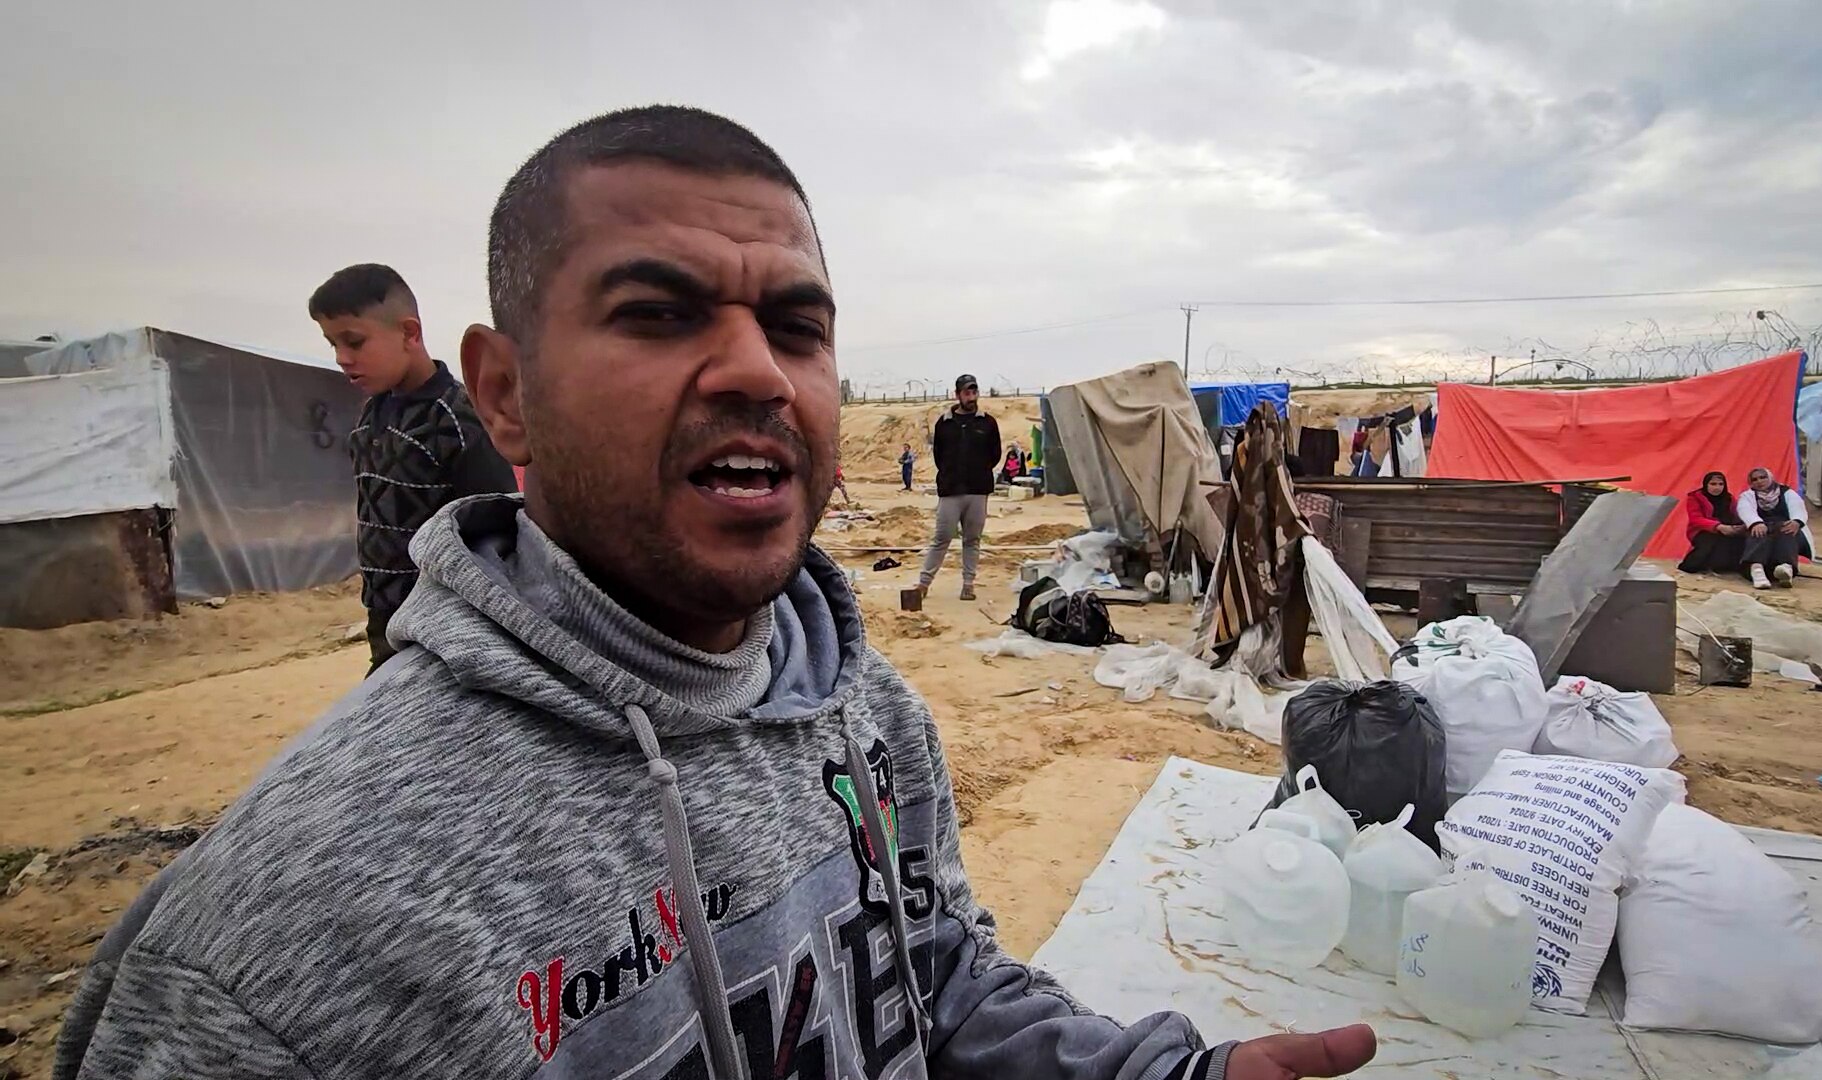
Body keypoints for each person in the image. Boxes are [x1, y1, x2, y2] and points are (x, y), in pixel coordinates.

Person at [56, 106, 1374, 1080]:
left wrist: (1156, 1073)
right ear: (504, 393)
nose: (758, 372)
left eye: (798, 328)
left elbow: (939, 984)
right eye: (658, 312)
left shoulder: (866, 711)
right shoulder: (284, 951)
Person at [307, 262, 517, 671]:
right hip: (383, 620)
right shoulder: (369, 417)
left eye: (354, 342)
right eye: (332, 344)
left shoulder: (458, 418)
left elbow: (499, 534)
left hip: (444, 628)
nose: (342, 358)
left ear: (409, 333)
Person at [917, 373, 1000, 602]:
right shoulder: (944, 424)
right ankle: (923, 584)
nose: (971, 397)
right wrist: (950, 475)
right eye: (967, 392)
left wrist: (978, 472)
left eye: (974, 392)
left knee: (972, 540)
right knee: (942, 537)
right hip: (951, 491)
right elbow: (939, 456)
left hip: (978, 491)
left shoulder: (988, 423)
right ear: (958, 395)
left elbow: (995, 455)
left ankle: (968, 584)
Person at [1736, 466, 1814, 590]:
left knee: (1787, 530)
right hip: (1761, 526)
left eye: (1763, 477)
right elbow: (1745, 510)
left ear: (1770, 478)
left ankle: (1786, 568)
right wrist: (1755, 523)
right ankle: (1756, 569)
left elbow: (1797, 508)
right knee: (1758, 533)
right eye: (1755, 479)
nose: (1759, 481)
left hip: (1783, 525)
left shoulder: (1787, 492)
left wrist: (1796, 522)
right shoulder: (1748, 496)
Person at [1678, 470, 1745, 575]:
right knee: (1709, 541)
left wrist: (1739, 527)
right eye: (1713, 484)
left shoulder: (1729, 498)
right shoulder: (1695, 497)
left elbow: (1737, 515)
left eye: (1720, 484)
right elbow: (1696, 519)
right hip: (1701, 530)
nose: (1717, 487)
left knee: (1741, 539)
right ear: (1706, 484)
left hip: (1727, 528)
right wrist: (1718, 526)